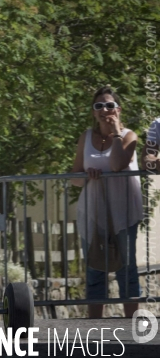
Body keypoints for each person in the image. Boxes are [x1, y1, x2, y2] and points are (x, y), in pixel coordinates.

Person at [70, 86, 143, 318]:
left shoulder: (130, 136)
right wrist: (85, 175)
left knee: (126, 269)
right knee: (94, 269)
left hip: (124, 212)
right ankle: (94, 327)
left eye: (110, 105)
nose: (104, 110)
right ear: (93, 112)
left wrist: (116, 132)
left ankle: (133, 327)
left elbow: (115, 165)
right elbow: (75, 178)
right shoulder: (86, 137)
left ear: (118, 110)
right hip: (94, 210)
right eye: (99, 106)